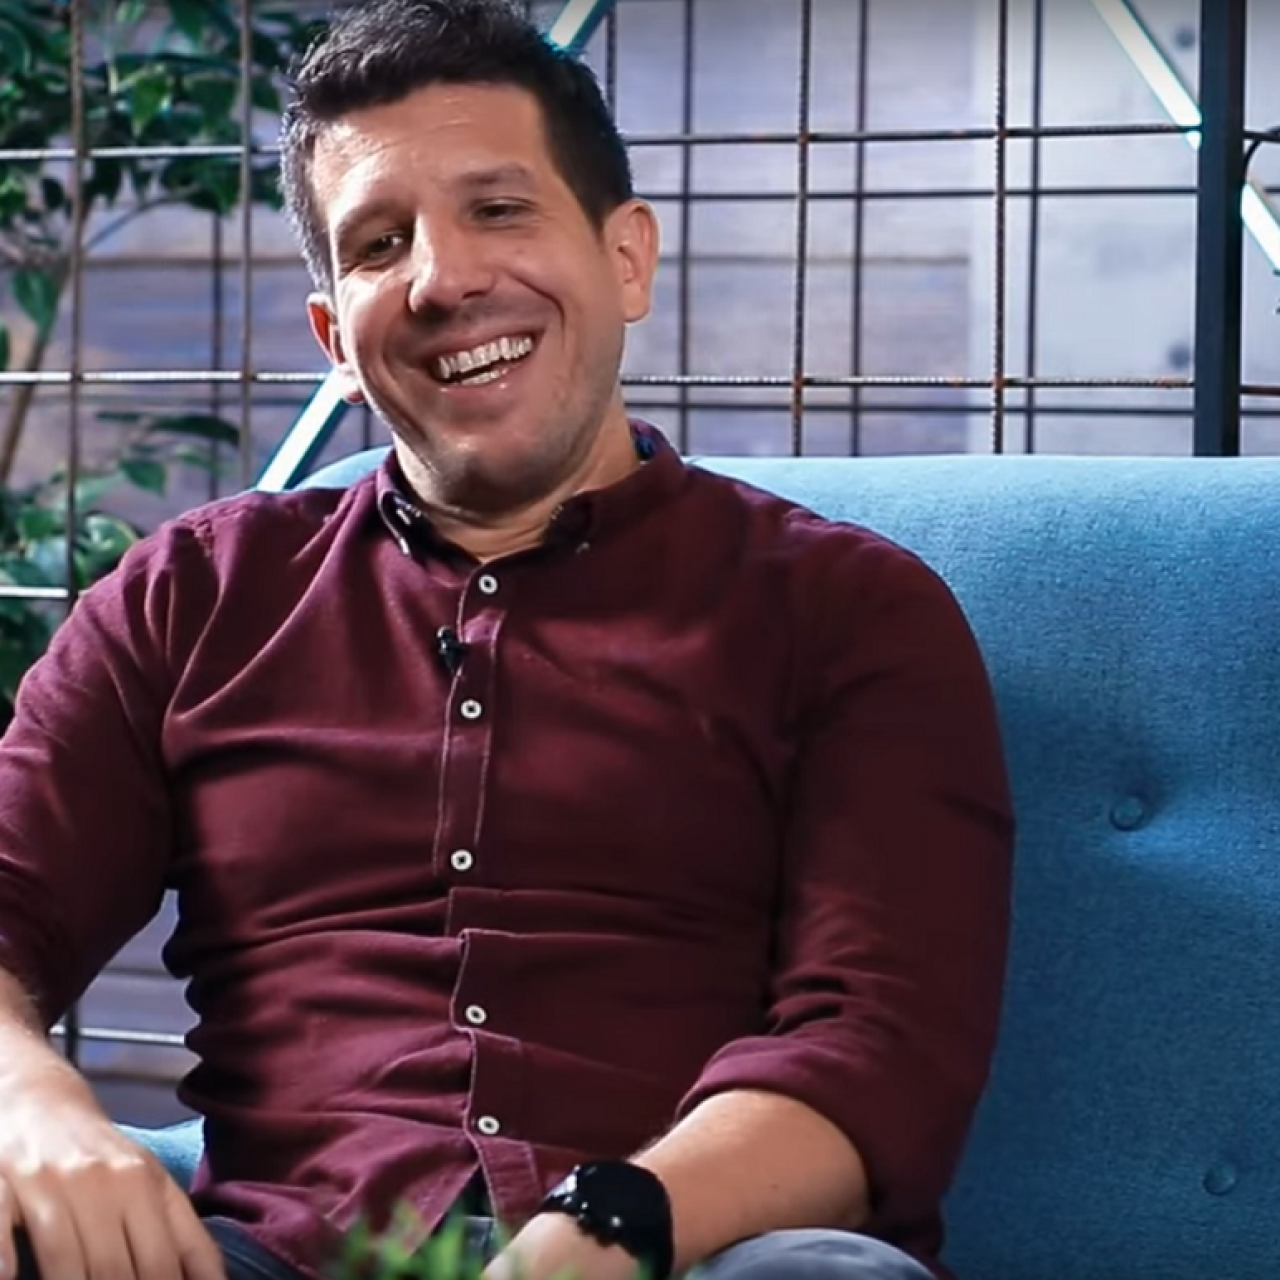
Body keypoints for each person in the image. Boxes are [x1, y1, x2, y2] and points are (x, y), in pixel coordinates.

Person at [0, 2, 1014, 1279]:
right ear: (336, 338)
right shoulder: (191, 597)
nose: (443, 279)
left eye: (497, 208)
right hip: (283, 1252)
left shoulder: (849, 610)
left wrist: (608, 1224)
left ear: (626, 258)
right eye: (380, 244)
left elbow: (878, 1047)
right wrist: (26, 1102)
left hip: (692, 1251)